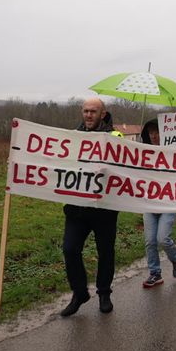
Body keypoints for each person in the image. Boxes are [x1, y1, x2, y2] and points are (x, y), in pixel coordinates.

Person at [60, 98, 119, 316]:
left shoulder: (115, 138)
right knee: (69, 249)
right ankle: (79, 293)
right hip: (77, 208)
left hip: (105, 208)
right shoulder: (73, 137)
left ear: (102, 114)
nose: (88, 115)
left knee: (106, 253)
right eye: (85, 111)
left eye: (93, 111)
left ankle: (104, 293)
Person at [139, 119, 176, 288]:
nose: (154, 135)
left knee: (163, 238)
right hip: (149, 202)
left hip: (168, 202)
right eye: (151, 132)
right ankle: (155, 273)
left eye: (157, 131)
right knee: (150, 241)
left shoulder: (173, 152)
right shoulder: (143, 153)